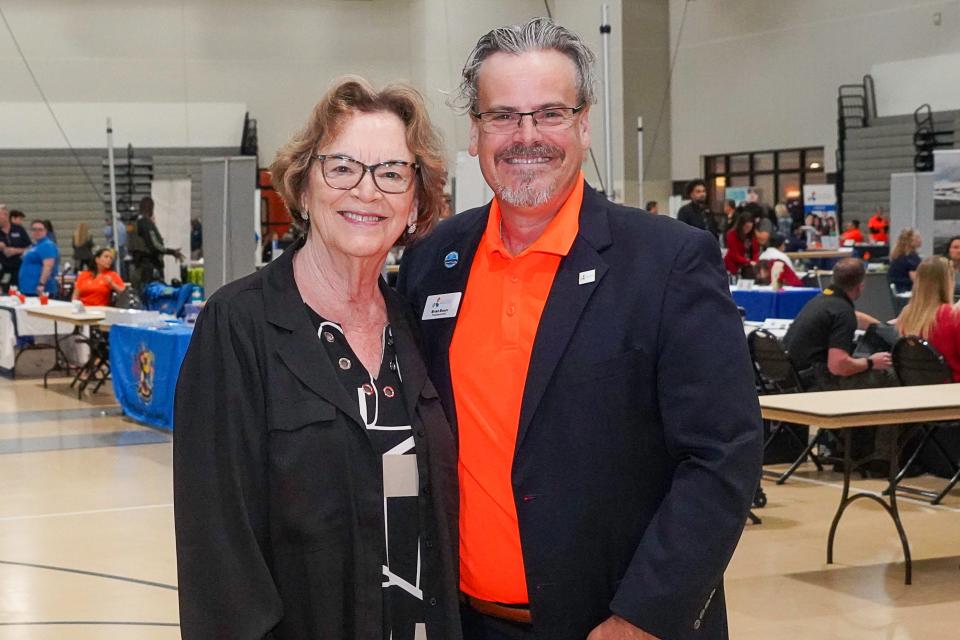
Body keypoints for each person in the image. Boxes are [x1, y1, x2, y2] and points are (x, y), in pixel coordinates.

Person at [398, 18, 761, 640]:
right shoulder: (436, 261)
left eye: (549, 113)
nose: (526, 136)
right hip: (467, 622)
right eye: (503, 116)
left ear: (584, 122)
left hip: (617, 625)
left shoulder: (668, 261)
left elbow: (723, 455)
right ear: (476, 131)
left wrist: (643, 617)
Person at [174, 77, 461, 640]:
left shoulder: (416, 326)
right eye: (342, 167)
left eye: (392, 173)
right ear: (303, 189)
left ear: (416, 202)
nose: (367, 191)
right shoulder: (238, 326)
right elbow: (219, 549)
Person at [896, 256, 960, 381]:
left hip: (919, 389)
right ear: (947, 282)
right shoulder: (952, 315)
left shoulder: (906, 314)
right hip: (952, 388)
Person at [127, 196, 184, 291]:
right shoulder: (145, 223)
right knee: (155, 293)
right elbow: (154, 245)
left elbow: (130, 243)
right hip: (150, 266)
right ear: (150, 208)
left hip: (136, 265)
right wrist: (172, 252)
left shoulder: (131, 223)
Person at [18, 219, 59, 296]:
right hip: (28, 288)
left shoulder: (47, 245)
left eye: (40, 229)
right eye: (34, 229)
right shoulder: (35, 245)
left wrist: (41, 284)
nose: (37, 232)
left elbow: (48, 266)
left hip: (38, 290)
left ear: (45, 231)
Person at [0, 204, 31, 292]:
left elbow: (30, 248)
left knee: (19, 293)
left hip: (20, 269)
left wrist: (16, 251)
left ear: (5, 215)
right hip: (3, 271)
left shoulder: (19, 229)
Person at [724, 208, 760, 275]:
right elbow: (734, 254)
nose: (748, 229)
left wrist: (755, 261)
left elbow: (755, 251)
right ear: (741, 225)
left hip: (748, 266)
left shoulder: (752, 235)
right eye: (746, 227)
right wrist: (749, 262)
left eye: (750, 227)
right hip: (733, 266)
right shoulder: (732, 234)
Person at [889, 227, 923, 293]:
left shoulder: (898, 256)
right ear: (911, 241)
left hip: (898, 291)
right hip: (907, 291)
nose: (921, 239)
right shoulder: (911, 258)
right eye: (918, 237)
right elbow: (916, 280)